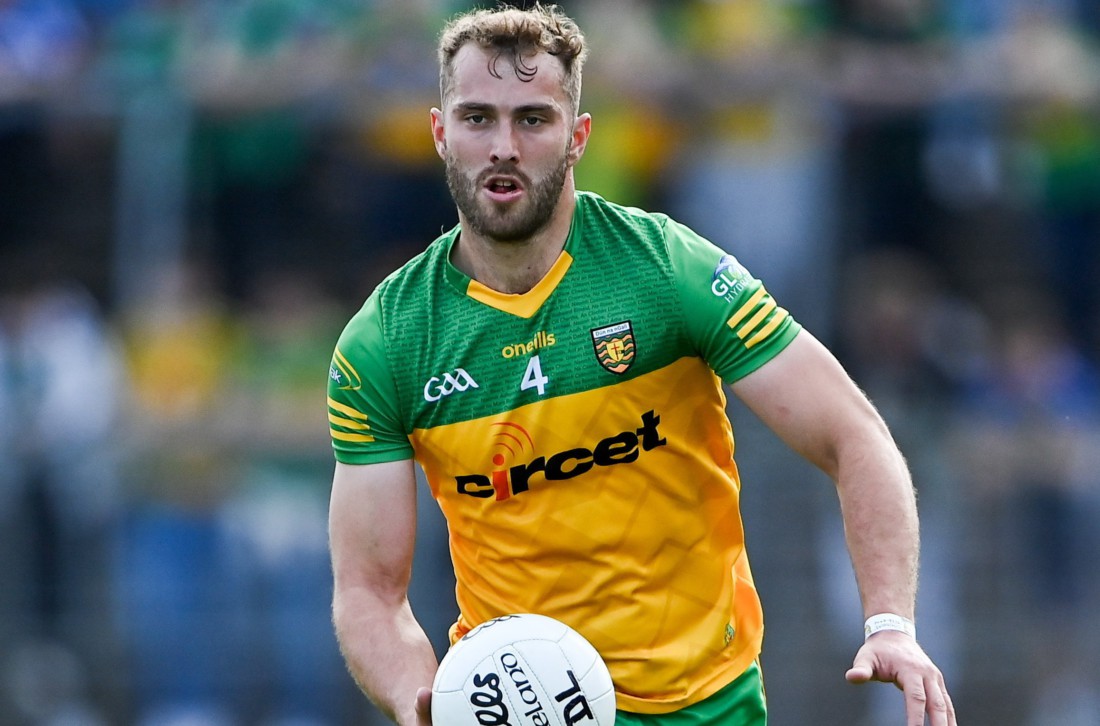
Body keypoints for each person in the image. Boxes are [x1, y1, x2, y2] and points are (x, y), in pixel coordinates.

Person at [325, 4, 955, 726]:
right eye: (477, 119)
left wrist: (890, 625)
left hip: (706, 707)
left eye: (532, 119)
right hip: (519, 710)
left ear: (578, 136)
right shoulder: (386, 341)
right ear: (441, 133)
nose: (503, 146)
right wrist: (422, 703)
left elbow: (854, 434)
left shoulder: (665, 269)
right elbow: (369, 591)